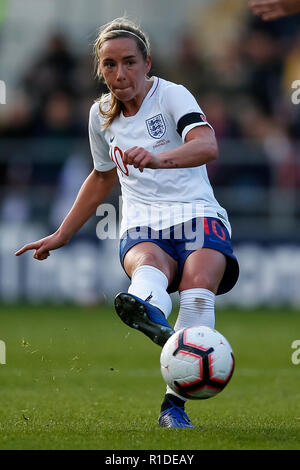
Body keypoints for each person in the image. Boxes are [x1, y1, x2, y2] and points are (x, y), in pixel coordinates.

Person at [15, 17, 239, 429]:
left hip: (198, 213)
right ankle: (149, 309)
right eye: (110, 65)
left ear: (147, 62)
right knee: (147, 264)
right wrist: (63, 233)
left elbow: (207, 145)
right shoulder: (100, 115)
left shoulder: (172, 95)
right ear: (99, 69)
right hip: (143, 223)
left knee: (197, 292)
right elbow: (102, 176)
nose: (120, 74)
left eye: (129, 62)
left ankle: (173, 401)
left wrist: (158, 158)